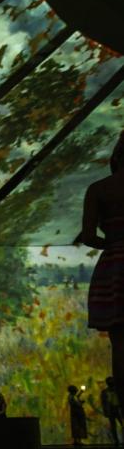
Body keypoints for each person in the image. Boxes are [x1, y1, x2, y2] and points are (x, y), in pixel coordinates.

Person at [78, 130, 124, 391]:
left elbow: (88, 236)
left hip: (114, 267)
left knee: (119, 344)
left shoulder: (98, 189)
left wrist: (114, 244)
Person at [99, 376, 122, 448]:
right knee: (113, 425)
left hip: (117, 408)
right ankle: (116, 440)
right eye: (109, 382)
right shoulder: (105, 392)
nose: (111, 383)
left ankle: (117, 440)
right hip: (111, 409)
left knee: (121, 423)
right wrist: (106, 411)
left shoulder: (118, 390)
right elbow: (103, 402)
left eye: (112, 381)